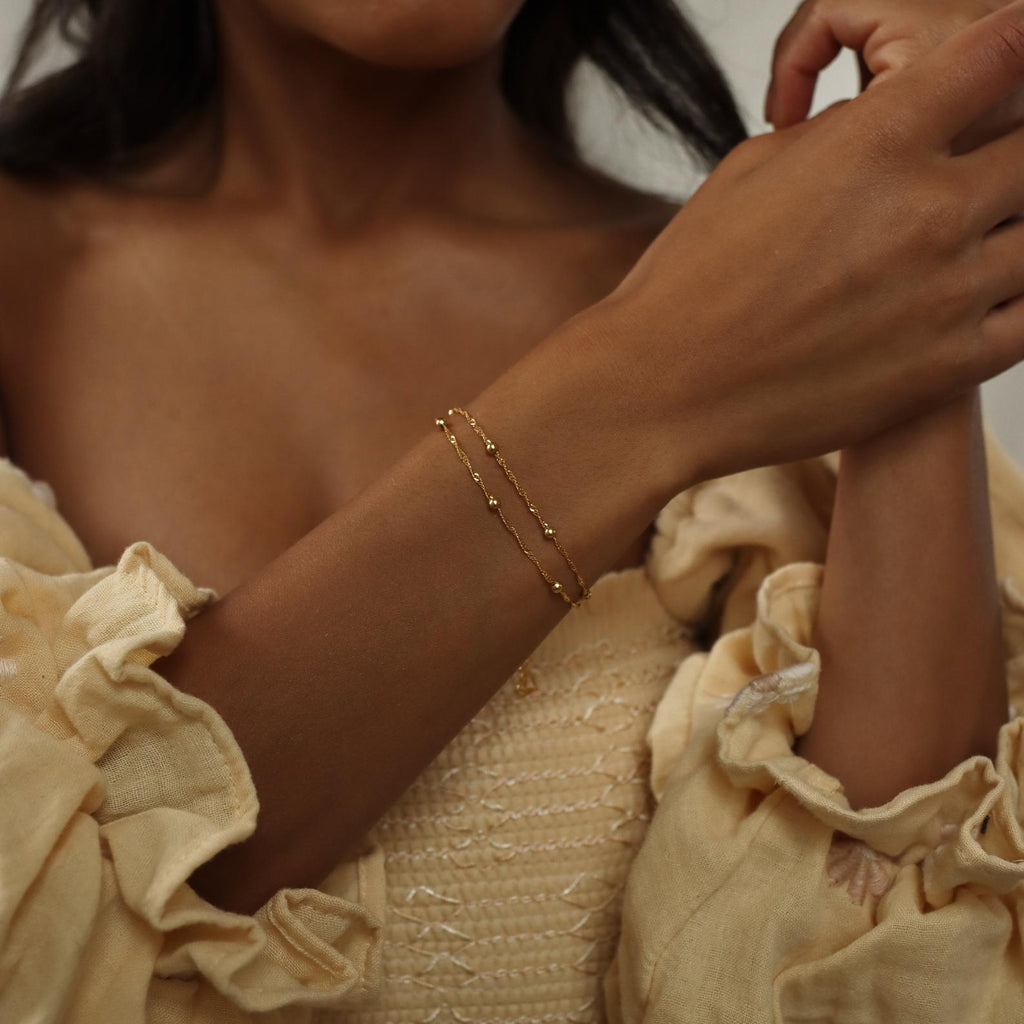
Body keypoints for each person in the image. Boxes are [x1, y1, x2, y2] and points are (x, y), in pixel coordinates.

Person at [0, 0, 1023, 1020]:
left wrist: (927, 190)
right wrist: (647, 379)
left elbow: (903, 969)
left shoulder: (777, 308)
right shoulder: (25, 278)